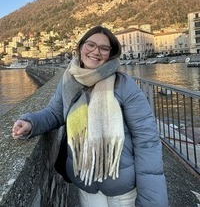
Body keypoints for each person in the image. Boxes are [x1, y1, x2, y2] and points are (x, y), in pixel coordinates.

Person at [12, 25, 168, 207]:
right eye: (91, 45)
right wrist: (31, 123)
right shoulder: (69, 81)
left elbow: (146, 141)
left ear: (111, 54)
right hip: (85, 184)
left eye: (104, 48)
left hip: (123, 189)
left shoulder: (124, 85)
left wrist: (152, 201)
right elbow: (55, 112)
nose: (96, 51)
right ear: (80, 47)